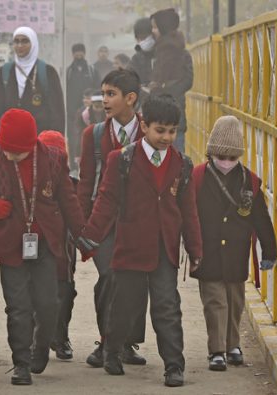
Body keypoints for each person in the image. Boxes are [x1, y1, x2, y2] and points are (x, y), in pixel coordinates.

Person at [80, 94, 203, 387]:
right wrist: (90, 238)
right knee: (125, 304)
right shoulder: (121, 159)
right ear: (144, 126)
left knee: (167, 306)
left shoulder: (182, 165)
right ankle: (111, 350)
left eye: (172, 131)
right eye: (160, 130)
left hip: (165, 250)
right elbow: (107, 201)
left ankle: (174, 365)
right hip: (131, 246)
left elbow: (189, 212)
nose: (166, 137)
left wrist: (196, 249)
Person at [0, 109, 86, 386]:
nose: (11, 157)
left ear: (31, 145)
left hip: (44, 243)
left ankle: (40, 347)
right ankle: (21, 363)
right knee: (17, 306)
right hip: (10, 243)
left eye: (17, 153)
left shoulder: (53, 160)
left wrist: (82, 237)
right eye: (7, 151)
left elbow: (68, 200)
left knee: (48, 302)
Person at [190, 115, 277, 371]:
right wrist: (183, 246)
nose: (226, 162)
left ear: (239, 156)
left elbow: (261, 218)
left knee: (235, 301)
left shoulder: (249, 181)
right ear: (210, 153)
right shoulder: (198, 178)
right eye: (220, 157)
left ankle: (232, 345)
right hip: (208, 252)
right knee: (215, 301)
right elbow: (186, 214)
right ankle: (217, 350)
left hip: (237, 253)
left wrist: (269, 250)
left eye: (232, 158)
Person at [77, 69, 148, 370]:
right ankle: (108, 341)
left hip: (139, 222)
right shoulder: (92, 135)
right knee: (109, 276)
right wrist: (80, 226)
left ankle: (127, 343)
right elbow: (84, 183)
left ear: (130, 98)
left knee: (135, 280)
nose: (104, 100)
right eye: (103, 93)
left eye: (111, 94)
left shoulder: (150, 132)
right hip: (102, 221)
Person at [0, 27, 65, 148]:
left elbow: (57, 110)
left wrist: (56, 139)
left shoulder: (47, 72)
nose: (19, 45)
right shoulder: (5, 72)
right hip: (10, 139)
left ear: (33, 43)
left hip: (39, 140)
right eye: (16, 41)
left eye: (25, 41)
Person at [38, 131, 79, 361]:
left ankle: (60, 337)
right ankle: (38, 339)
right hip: (37, 251)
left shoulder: (71, 185)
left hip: (64, 253)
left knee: (65, 294)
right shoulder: (31, 185)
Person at [148, 8, 194, 154]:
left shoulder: (179, 53)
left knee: (175, 160)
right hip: (165, 116)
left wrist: (162, 90)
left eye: (155, 27)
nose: (153, 31)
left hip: (171, 116)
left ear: (163, 27)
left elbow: (187, 81)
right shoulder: (156, 51)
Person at [65, 43, 96, 170]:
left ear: (84, 53)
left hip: (90, 111)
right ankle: (73, 165)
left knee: (90, 137)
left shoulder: (91, 70)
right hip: (72, 111)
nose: (79, 54)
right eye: (76, 52)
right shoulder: (68, 71)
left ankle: (89, 164)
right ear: (72, 54)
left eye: (81, 52)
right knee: (73, 137)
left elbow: (98, 89)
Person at [72, 90, 106, 167]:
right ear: (92, 104)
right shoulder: (83, 116)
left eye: (101, 107)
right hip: (89, 149)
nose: (99, 109)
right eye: (96, 107)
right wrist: (78, 155)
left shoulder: (110, 115)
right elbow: (79, 136)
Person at [129, 18, 155, 94]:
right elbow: (129, 80)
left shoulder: (163, 55)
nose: (143, 41)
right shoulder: (136, 59)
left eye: (145, 37)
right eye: (139, 38)